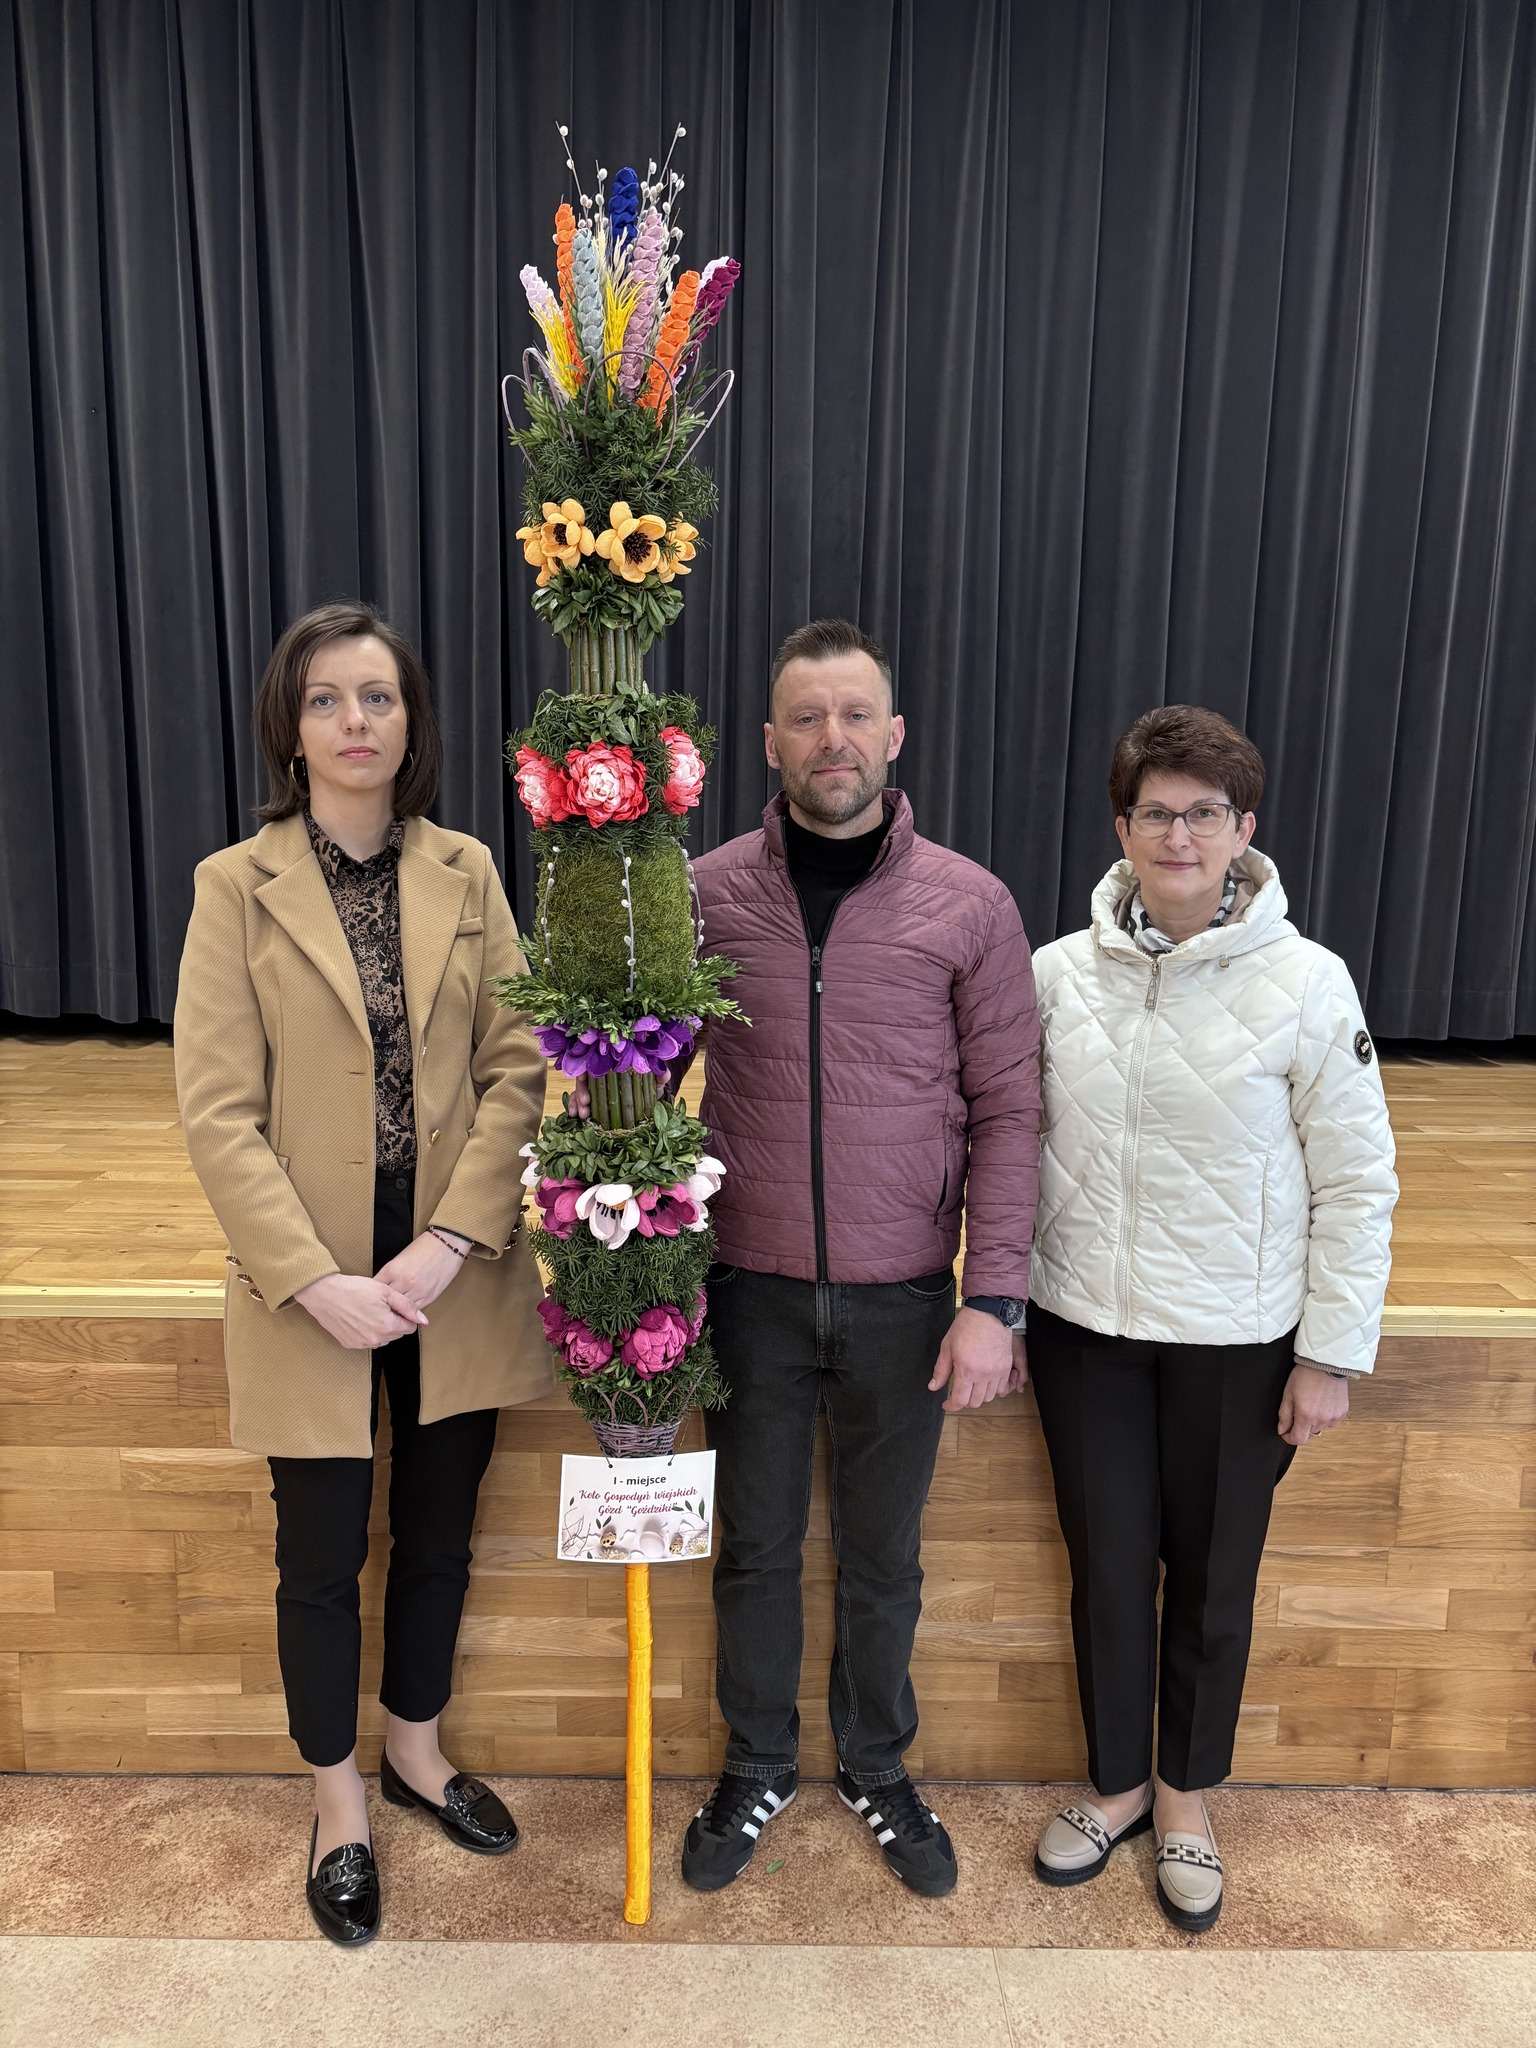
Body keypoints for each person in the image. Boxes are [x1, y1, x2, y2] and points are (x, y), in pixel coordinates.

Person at [174, 602, 548, 1946]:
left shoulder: (467, 869)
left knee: (440, 1533)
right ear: (291, 726)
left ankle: (414, 1751)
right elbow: (218, 1110)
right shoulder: (236, 885)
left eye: (377, 697)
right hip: (314, 1283)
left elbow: (518, 1064)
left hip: (454, 1269)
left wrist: (451, 1239)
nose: (353, 721)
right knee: (322, 1555)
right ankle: (337, 1800)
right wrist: (308, 1278)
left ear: (410, 721)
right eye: (326, 698)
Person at [676, 617, 1039, 1896]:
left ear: (895, 734)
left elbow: (1011, 1111)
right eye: (806, 717)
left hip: (904, 1297)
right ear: (769, 742)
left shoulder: (971, 904)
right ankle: (757, 1760)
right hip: (750, 1287)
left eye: (854, 715)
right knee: (755, 1550)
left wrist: (994, 1297)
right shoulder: (706, 892)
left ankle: (878, 1765)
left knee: (885, 1559)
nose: (833, 738)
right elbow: (641, 1076)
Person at [1027, 703, 1397, 1932]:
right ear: (1121, 827)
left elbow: (1357, 1178)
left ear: (1244, 828)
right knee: (1106, 1570)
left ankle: (1185, 1796)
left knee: (1211, 1579)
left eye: (1203, 813)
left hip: (1241, 1342)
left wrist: (1331, 1352)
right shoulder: (1056, 974)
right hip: (1084, 1328)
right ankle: (1117, 1785)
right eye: (1155, 812)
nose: (1177, 835)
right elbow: (1008, 1140)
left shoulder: (1309, 981)